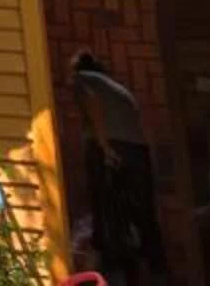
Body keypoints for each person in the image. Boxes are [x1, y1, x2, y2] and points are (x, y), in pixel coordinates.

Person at [68, 52, 164, 284]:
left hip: (111, 146)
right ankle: (156, 271)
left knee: (107, 212)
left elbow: (92, 105)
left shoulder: (81, 79)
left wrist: (103, 145)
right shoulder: (116, 88)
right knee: (142, 214)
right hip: (137, 150)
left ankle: (113, 274)